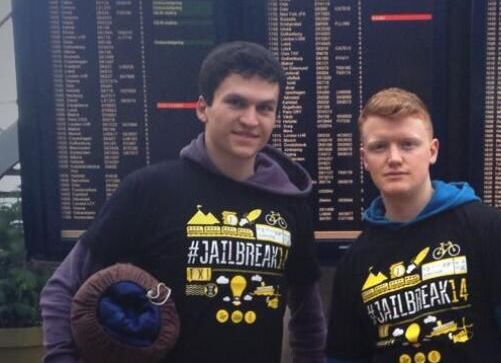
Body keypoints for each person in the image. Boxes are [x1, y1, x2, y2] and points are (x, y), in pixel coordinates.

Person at [40, 41, 326, 362]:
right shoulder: (149, 190)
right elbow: (61, 290)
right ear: (203, 108)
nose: (250, 119)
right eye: (236, 102)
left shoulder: (290, 203)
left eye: (264, 108)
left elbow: (308, 319)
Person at [324, 87, 501, 362]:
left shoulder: (491, 230)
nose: (394, 158)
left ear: (432, 151)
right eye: (379, 147)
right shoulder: (354, 262)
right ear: (364, 159)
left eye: (408, 144)